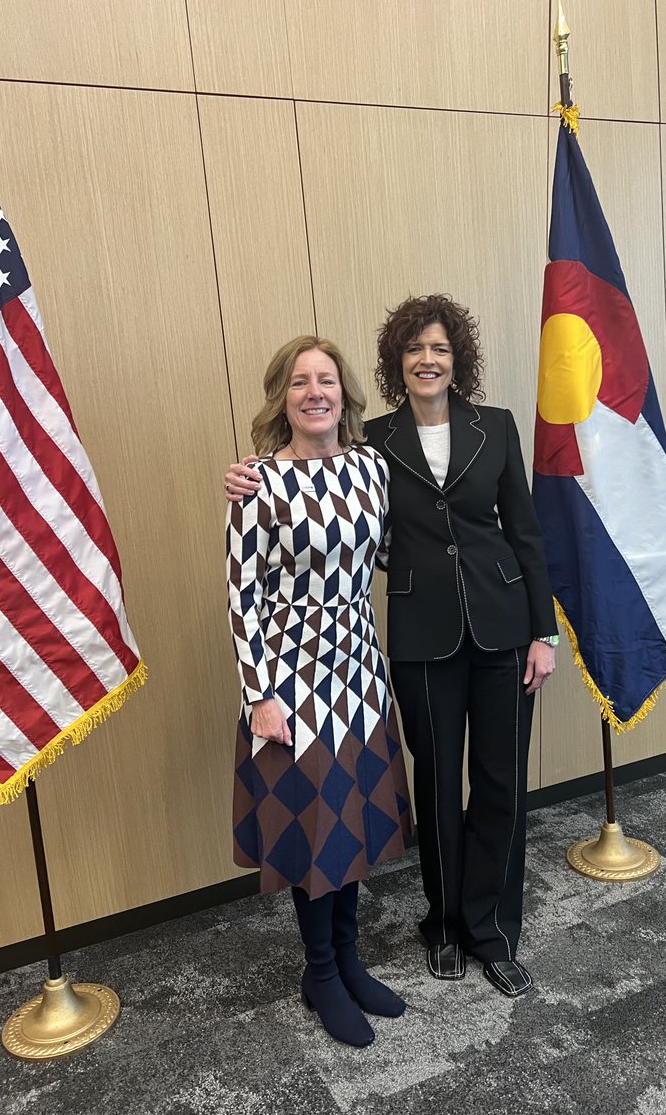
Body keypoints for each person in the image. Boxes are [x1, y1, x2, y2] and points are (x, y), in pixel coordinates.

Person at [225, 297, 557, 998]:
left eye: (438, 347)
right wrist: (246, 477)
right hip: (418, 641)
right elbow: (341, 532)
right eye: (413, 349)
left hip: (501, 629)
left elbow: (524, 532)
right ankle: (440, 925)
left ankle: (491, 930)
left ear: (455, 356)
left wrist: (543, 629)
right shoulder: (373, 445)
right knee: (435, 785)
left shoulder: (493, 429)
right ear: (393, 365)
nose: (427, 359)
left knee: (501, 783)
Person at [226, 335, 413, 1049]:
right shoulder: (258, 485)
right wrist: (258, 697)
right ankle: (321, 975)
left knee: (353, 822)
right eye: (300, 381)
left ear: (344, 395)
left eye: (326, 379)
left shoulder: (370, 467)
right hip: (290, 680)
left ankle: (348, 960)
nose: (314, 391)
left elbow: (394, 554)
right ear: (283, 397)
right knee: (313, 832)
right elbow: (241, 595)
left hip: (360, 670)